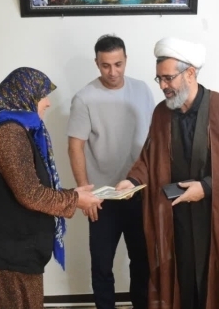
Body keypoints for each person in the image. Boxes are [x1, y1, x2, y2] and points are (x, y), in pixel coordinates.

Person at [116, 37, 219, 309]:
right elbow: (149, 158)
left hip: (218, 219)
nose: (163, 86)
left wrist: (207, 187)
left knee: (216, 284)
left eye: (168, 78)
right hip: (177, 219)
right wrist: (131, 181)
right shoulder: (161, 114)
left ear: (190, 73)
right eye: (159, 79)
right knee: (184, 283)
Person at [0, 67, 102, 309]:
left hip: (8, 252)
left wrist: (74, 195)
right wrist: (74, 199)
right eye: (42, 95)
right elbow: (30, 193)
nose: (48, 103)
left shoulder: (17, 130)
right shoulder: (9, 134)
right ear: (25, 96)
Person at [67, 35, 154, 309]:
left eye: (118, 64)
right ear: (97, 63)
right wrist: (84, 193)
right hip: (102, 197)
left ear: (126, 60)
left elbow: (155, 139)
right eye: (105, 65)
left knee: (142, 261)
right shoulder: (84, 98)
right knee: (102, 264)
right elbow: (75, 147)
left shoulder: (142, 90)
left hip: (139, 191)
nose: (113, 72)